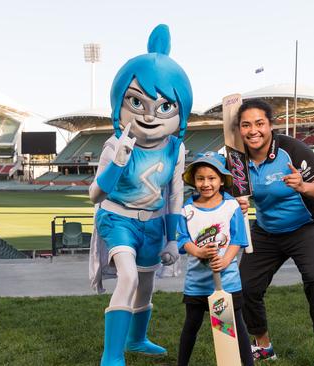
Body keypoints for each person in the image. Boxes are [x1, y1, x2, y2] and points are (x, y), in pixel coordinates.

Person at [87, 24, 193, 366]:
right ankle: (112, 355)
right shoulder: (114, 145)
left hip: (153, 222)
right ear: (120, 105)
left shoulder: (176, 148)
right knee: (128, 277)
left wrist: (172, 240)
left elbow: (175, 192)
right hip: (117, 217)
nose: (149, 115)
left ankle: (136, 339)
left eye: (164, 107)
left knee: (145, 284)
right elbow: (94, 194)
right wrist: (118, 161)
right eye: (136, 101)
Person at [235, 99, 314, 366]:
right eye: (246, 125)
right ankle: (264, 346)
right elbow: (228, 194)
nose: (253, 130)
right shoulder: (237, 159)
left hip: (307, 227)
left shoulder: (292, 149)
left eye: (259, 123)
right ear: (240, 129)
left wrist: (304, 186)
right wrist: (236, 201)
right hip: (267, 230)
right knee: (245, 287)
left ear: (270, 125)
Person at [176, 152, 254, 366]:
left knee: (233, 327)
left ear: (222, 180)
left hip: (227, 283)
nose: (206, 183)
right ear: (193, 180)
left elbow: (238, 239)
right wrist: (199, 252)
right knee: (191, 326)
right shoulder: (187, 209)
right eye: (200, 178)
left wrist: (226, 260)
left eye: (211, 178)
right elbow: (183, 239)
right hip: (197, 283)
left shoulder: (231, 207)